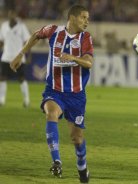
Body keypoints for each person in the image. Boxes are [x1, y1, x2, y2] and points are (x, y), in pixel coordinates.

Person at [10, 5, 93, 183]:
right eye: (84, 17)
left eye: (88, 18)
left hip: (76, 95)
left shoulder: (86, 38)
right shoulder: (54, 31)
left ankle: (82, 165)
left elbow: (89, 63)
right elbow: (35, 35)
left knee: (77, 138)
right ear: (72, 18)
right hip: (54, 90)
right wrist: (20, 55)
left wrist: (73, 58)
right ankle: (56, 160)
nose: (87, 21)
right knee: (51, 114)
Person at [0, 9, 30, 107]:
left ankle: (26, 100)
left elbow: (28, 42)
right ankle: (2, 100)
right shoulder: (4, 26)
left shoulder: (21, 26)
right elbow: (1, 41)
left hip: (19, 58)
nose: (11, 16)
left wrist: (28, 55)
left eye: (13, 14)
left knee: (21, 78)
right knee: (2, 78)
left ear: (16, 15)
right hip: (6, 57)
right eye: (9, 15)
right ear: (8, 16)